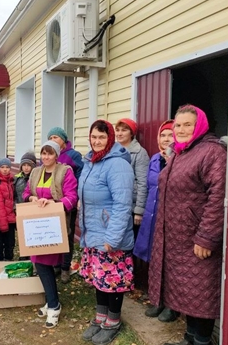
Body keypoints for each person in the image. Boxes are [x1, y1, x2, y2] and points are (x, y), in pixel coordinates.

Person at [149, 105, 226, 345]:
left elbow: (218, 196)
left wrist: (206, 238)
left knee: (201, 294)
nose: (181, 130)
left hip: (196, 240)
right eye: (177, 125)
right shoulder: (181, 152)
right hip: (176, 238)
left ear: (200, 126)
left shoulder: (211, 153)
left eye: (187, 125)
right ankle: (189, 338)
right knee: (188, 294)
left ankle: (202, 340)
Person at [79, 120, 135, 345]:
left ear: (110, 138)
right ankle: (100, 317)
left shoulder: (117, 164)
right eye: (93, 137)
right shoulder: (91, 161)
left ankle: (113, 321)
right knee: (99, 278)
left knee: (113, 280)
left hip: (110, 233)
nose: (96, 141)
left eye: (101, 137)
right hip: (94, 229)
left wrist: (112, 237)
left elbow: (123, 205)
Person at [22, 140, 78, 329]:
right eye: (43, 153)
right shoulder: (36, 172)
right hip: (36, 228)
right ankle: (50, 301)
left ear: (56, 155)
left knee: (44, 264)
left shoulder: (65, 172)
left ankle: (54, 306)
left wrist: (53, 203)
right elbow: (26, 192)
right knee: (39, 263)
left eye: (50, 153)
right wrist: (32, 198)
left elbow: (72, 197)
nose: (46, 157)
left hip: (53, 227)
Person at [133, 120, 179, 322]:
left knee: (170, 261)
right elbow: (148, 186)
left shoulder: (180, 159)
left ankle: (172, 305)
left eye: (170, 135)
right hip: (152, 215)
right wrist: (141, 211)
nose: (166, 139)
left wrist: (170, 161)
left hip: (170, 217)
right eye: (163, 135)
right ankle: (157, 299)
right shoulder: (153, 159)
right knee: (154, 258)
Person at [47, 127, 84, 283]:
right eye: (51, 137)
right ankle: (55, 264)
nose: (53, 139)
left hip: (68, 201)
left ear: (63, 139)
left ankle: (65, 267)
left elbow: (80, 175)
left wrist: (77, 195)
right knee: (53, 233)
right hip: (50, 202)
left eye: (56, 137)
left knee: (67, 234)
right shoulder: (48, 154)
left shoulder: (73, 155)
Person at [114, 119, 149, 228]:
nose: (119, 133)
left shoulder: (139, 153)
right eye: (117, 130)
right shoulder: (112, 151)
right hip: (114, 203)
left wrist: (139, 210)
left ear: (131, 133)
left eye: (124, 130)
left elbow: (143, 183)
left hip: (130, 206)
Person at [13, 151, 37, 261]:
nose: (26, 168)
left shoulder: (36, 178)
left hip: (33, 211)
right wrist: (15, 207)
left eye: (29, 165)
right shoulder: (17, 179)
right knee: (22, 236)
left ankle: (33, 257)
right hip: (20, 211)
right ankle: (23, 256)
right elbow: (13, 195)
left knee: (33, 236)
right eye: (24, 165)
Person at [0, 158, 16, 261]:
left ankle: (9, 261)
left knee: (10, 243)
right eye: (2, 167)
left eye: (7, 167)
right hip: (0, 219)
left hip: (10, 218)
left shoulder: (11, 181)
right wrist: (2, 222)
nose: (5, 169)